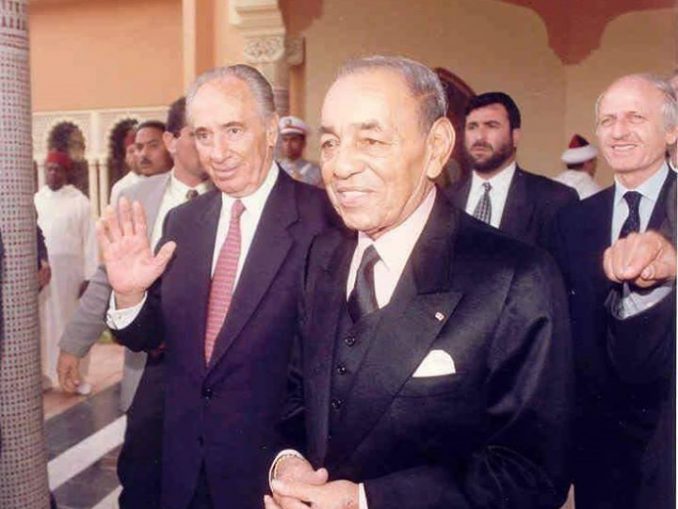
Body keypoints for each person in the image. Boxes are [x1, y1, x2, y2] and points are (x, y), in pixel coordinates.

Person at [267, 55, 573, 509]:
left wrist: (366, 501)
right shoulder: (322, 257)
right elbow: (295, 396)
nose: (340, 166)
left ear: (436, 147)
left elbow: (529, 471)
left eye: (371, 140)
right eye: (330, 142)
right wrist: (288, 466)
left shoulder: (515, 277)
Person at [99, 65, 335, 509]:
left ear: (270, 130)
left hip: (269, 472)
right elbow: (158, 338)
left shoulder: (325, 222)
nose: (218, 152)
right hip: (180, 466)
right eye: (204, 135)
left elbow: (331, 368)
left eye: (233, 131)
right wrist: (130, 295)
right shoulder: (184, 221)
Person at [57, 97, 210, 509]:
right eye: (200, 134)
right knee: (143, 483)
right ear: (172, 140)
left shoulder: (236, 202)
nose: (213, 145)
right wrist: (74, 343)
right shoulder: (136, 198)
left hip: (217, 378)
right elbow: (108, 277)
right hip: (151, 372)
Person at [553, 73, 677, 509]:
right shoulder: (572, 220)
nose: (618, 131)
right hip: (597, 445)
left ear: (671, 131)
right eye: (608, 120)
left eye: (635, 118)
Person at [445, 92, 578, 250]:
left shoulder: (555, 200)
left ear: (515, 137)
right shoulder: (444, 200)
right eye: (472, 127)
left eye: (491, 125)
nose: (479, 137)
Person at [35, 150, 98, 394]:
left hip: (71, 275)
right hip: (44, 275)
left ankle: (76, 378)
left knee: (72, 325)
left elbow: (90, 241)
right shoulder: (37, 199)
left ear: (66, 173)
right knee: (45, 325)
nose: (52, 173)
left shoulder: (79, 201)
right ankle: (45, 376)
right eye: (49, 168)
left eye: (57, 169)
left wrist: (89, 276)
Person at [277, 115, 323, 187]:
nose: (288, 144)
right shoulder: (275, 169)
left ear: (303, 143)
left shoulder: (315, 171)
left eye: (293, 140)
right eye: (285, 140)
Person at [554, 134, 602, 199]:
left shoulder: (554, 183)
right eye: (594, 161)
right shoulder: (590, 188)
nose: (595, 166)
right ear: (587, 163)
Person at [109, 124, 142, 206]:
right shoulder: (120, 188)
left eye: (139, 149)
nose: (136, 155)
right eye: (131, 151)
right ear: (125, 158)